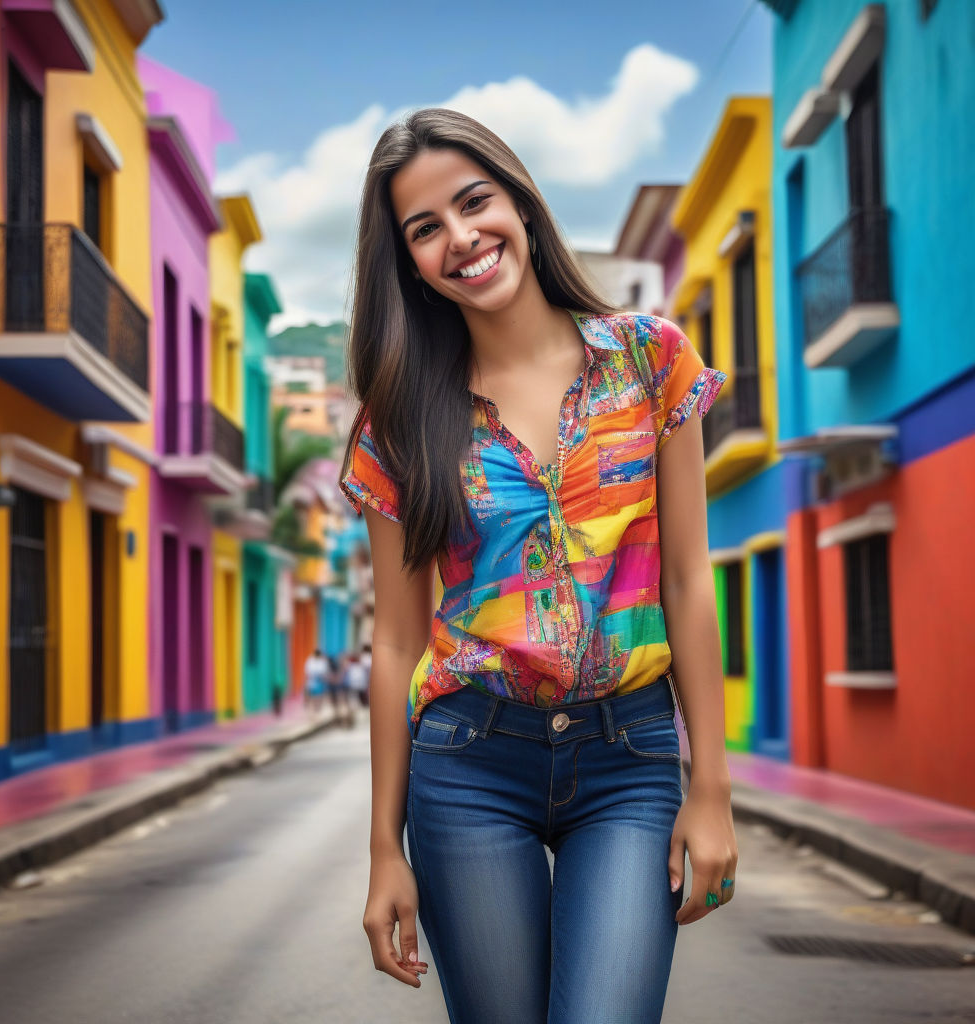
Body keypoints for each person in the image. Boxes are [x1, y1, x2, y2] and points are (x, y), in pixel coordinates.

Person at [338, 108, 738, 1024]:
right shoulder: (400, 424)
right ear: (408, 264)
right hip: (469, 761)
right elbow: (397, 646)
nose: (462, 239)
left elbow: (685, 582)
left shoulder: (649, 360)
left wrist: (709, 788)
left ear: (519, 200)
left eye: (474, 202)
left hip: (631, 756)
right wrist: (382, 851)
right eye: (425, 230)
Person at [303, 649, 329, 715]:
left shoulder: (322, 661)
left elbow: (324, 672)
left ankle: (317, 709)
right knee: (311, 695)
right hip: (312, 680)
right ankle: (311, 709)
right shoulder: (310, 660)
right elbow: (307, 672)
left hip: (320, 681)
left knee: (319, 696)